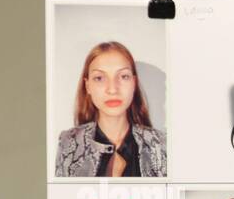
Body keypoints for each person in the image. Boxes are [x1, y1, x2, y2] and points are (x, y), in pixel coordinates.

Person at [55, 41, 167, 177]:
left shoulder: (161, 145)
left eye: (123, 76)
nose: (113, 89)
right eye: (99, 78)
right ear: (88, 86)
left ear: (134, 83)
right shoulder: (68, 143)